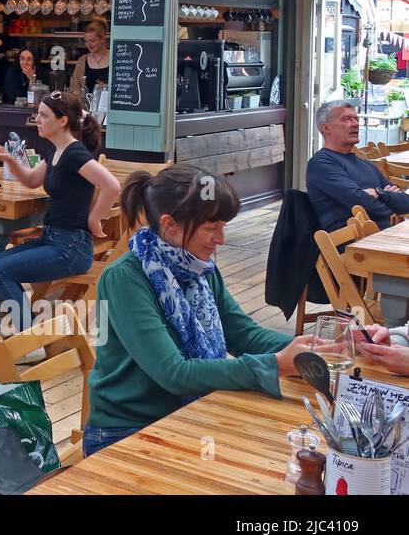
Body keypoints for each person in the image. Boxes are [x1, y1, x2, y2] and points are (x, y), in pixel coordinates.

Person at [85, 166, 318, 456]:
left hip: (191, 414)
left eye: (223, 225)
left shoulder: (199, 268)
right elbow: (174, 373)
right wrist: (275, 364)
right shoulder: (125, 278)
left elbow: (243, 334)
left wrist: (313, 350)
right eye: (211, 227)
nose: (221, 238)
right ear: (170, 226)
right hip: (126, 433)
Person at [0, 91, 120, 345]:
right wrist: (8, 158)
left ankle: (29, 342)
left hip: (71, 248)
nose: (38, 120)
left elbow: (112, 186)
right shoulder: (55, 151)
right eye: (38, 114)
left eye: (44, 115)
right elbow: (32, 180)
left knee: (0, 270)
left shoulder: (74, 154)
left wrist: (94, 219)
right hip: (52, 239)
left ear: (63, 121)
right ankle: (29, 334)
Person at [306, 99, 409, 233]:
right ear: (326, 128)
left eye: (356, 119)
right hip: (352, 246)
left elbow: (406, 203)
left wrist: (378, 193)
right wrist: (390, 205)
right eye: (347, 119)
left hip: (383, 236)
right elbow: (360, 201)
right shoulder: (322, 164)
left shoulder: (366, 164)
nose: (355, 124)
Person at [69, 21, 110, 97]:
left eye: (92, 41)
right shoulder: (82, 60)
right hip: (86, 107)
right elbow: (74, 87)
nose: (89, 44)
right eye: (86, 41)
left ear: (103, 38)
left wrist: (106, 88)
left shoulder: (114, 58)